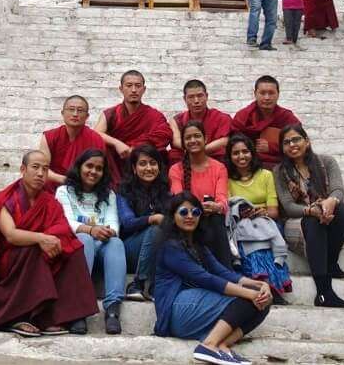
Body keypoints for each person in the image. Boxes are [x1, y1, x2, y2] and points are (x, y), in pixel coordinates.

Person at [0, 151, 97, 334]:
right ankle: (19, 317)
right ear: (23, 170)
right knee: (33, 250)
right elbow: (10, 235)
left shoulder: (49, 201)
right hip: (12, 259)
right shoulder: (5, 199)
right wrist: (41, 238)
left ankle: (59, 316)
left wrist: (49, 240)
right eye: (35, 167)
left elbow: (62, 227)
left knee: (74, 249)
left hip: (43, 252)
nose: (41, 173)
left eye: (45, 169)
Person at [154, 192, 271, 365]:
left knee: (263, 301)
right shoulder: (170, 247)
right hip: (176, 311)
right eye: (183, 212)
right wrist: (249, 294)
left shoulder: (198, 245)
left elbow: (223, 273)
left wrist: (260, 284)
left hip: (196, 306)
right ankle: (208, 345)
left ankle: (222, 345)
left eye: (195, 212)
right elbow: (206, 279)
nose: (190, 217)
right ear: (172, 217)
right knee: (248, 299)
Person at [274, 125, 344, 309]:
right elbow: (288, 206)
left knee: (342, 210)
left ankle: (331, 261)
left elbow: (337, 189)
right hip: (297, 223)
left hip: (326, 214)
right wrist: (311, 210)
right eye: (286, 142)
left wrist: (330, 202)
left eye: (296, 139)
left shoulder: (327, 162)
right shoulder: (279, 172)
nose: (292, 145)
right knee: (312, 220)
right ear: (282, 148)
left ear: (307, 141)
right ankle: (324, 292)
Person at [56, 149, 126, 334]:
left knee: (117, 242)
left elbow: (114, 224)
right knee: (84, 239)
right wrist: (91, 230)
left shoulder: (108, 194)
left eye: (99, 168)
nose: (93, 171)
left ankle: (112, 310)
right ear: (79, 167)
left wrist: (106, 231)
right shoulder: (64, 191)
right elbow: (66, 222)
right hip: (77, 242)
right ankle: (78, 311)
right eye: (89, 166)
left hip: (102, 243)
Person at [226, 135, 292, 304]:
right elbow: (229, 206)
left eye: (245, 151)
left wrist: (261, 212)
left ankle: (273, 286)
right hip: (240, 223)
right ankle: (258, 285)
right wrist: (242, 213)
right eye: (236, 153)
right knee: (249, 239)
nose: (241, 156)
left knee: (264, 236)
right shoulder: (227, 179)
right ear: (230, 156)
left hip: (266, 220)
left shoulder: (266, 175)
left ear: (252, 153)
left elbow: (273, 211)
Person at [168, 120, 233, 268]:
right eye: (188, 138)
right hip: (188, 220)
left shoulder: (219, 168)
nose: (193, 140)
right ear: (183, 143)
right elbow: (179, 200)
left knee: (216, 219)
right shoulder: (176, 170)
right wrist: (197, 209)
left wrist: (216, 207)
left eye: (197, 136)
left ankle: (226, 270)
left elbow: (222, 200)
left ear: (206, 139)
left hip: (213, 218)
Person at [95, 70, 172, 185]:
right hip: (118, 164)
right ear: (121, 89)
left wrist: (134, 148)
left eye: (138, 86)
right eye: (129, 85)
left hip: (145, 164)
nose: (134, 90)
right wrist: (117, 143)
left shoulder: (154, 115)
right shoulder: (111, 114)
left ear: (144, 89)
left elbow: (164, 135)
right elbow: (95, 134)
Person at [117, 144, 172, 300]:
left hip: (158, 249)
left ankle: (157, 287)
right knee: (155, 229)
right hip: (130, 249)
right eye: (143, 164)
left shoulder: (165, 192)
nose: (149, 168)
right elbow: (127, 223)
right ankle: (137, 284)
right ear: (134, 168)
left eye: (153, 163)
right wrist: (151, 219)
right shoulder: (124, 191)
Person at [231, 75, 300, 169]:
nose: (267, 97)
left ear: (278, 94)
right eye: (262, 93)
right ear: (255, 94)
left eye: (271, 93)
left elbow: (299, 143)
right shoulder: (244, 116)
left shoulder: (286, 117)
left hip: (281, 165)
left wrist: (271, 147)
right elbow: (233, 142)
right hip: (249, 165)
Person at [39, 95, 105, 190]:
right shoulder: (50, 137)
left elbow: (98, 170)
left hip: (84, 189)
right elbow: (42, 168)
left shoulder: (96, 139)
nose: (75, 114)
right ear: (62, 113)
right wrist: (65, 180)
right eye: (71, 109)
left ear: (87, 116)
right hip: (53, 188)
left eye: (80, 110)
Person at [168, 79, 231, 165]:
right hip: (187, 164)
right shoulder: (176, 120)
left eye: (200, 95)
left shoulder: (222, 118)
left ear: (206, 96)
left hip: (215, 163)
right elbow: (176, 141)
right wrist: (196, 150)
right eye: (191, 97)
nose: (196, 101)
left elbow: (225, 140)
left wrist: (199, 151)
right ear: (184, 99)